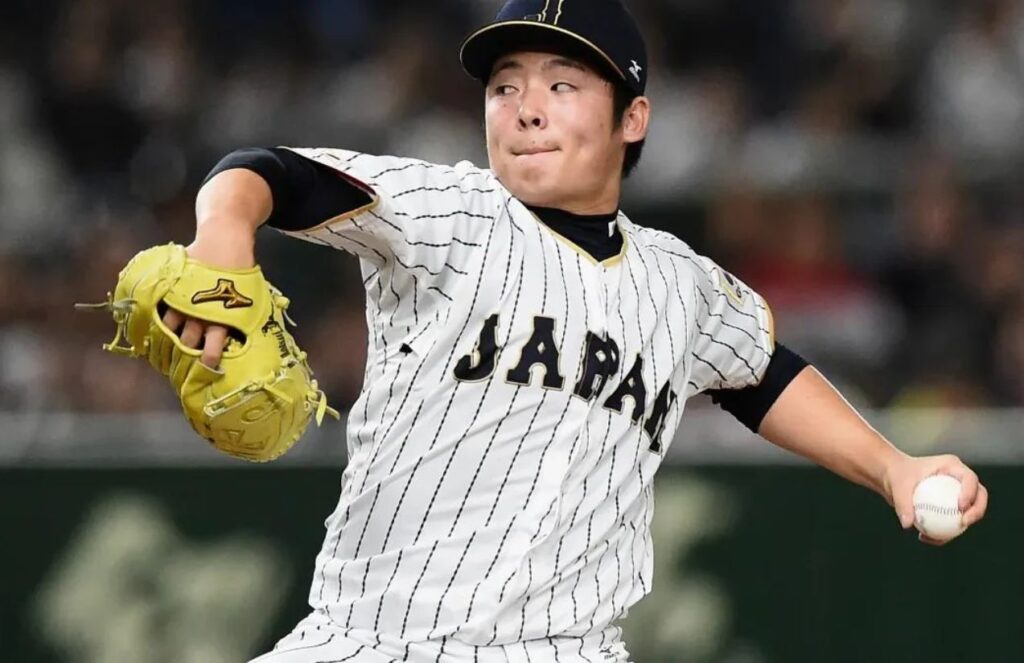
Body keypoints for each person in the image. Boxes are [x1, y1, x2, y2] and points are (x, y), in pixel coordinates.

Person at [166, 1, 988, 661]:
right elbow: (263, 170)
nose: (526, 110)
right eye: (504, 88)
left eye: (562, 85)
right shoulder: (450, 212)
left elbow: (763, 373)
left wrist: (893, 466)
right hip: (375, 638)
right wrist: (222, 238)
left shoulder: (679, 282)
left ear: (633, 117)